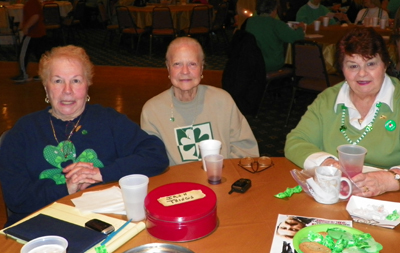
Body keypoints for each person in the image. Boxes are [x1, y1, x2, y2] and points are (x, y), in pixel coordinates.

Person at [0, 45, 169, 226]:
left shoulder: (109, 120)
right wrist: (66, 187)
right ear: (45, 86)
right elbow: (16, 198)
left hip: (105, 225)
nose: (67, 90)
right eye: (58, 81)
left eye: (76, 81)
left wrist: (101, 173)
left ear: (87, 85)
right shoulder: (23, 132)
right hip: (42, 229)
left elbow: (156, 154)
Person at [285, 27, 400, 197]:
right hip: (335, 195)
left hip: (392, 199)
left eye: (371, 64)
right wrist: (328, 163)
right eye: (353, 66)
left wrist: (390, 179)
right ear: (342, 69)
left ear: (385, 64)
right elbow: (296, 142)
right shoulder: (328, 100)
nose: (362, 74)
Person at [140, 37, 259, 166]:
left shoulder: (223, 101)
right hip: (178, 184)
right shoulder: (152, 111)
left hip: (222, 179)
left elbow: (245, 150)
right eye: (177, 64)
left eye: (192, 64)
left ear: (202, 68)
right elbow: (152, 162)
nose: (185, 71)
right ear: (168, 68)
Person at [246, 0, 305, 72]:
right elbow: (297, 38)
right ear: (274, 9)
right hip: (272, 64)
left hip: (252, 62)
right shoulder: (276, 24)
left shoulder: (250, 22)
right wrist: (300, 28)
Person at [11, 0, 47, 83]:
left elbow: (35, 16)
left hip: (32, 33)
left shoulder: (31, 2)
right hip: (39, 32)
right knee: (40, 55)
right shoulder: (35, 2)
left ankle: (23, 75)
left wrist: (26, 27)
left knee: (23, 54)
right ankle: (44, 74)